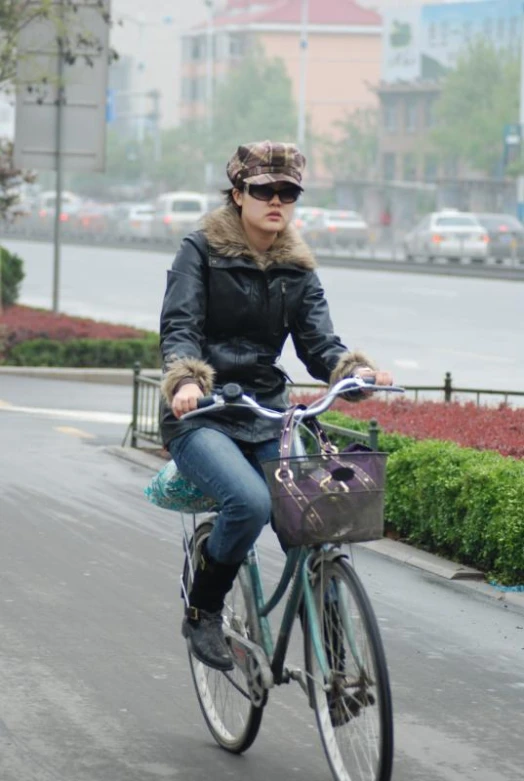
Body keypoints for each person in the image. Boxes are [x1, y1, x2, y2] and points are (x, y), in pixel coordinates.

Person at [159, 140, 393, 671]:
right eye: (265, 189)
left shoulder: (296, 266)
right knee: (251, 503)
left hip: (264, 409)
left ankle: (339, 669)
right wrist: (185, 383)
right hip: (202, 415)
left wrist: (350, 371)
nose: (277, 200)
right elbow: (180, 328)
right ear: (239, 193)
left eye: (288, 192)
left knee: (314, 522)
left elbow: (319, 344)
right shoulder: (199, 251)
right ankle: (203, 611)